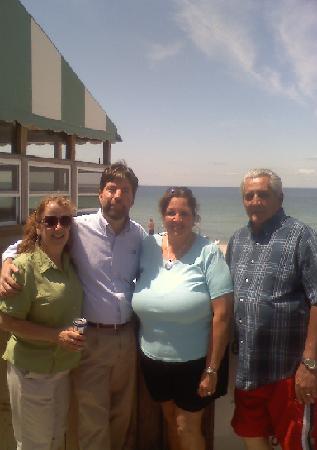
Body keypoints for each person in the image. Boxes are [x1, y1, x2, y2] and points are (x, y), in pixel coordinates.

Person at [0, 161, 146, 450]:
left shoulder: (139, 235)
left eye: (125, 191)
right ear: (100, 194)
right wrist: (5, 262)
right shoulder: (77, 226)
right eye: (111, 188)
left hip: (127, 338)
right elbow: (26, 243)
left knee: (122, 414)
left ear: (132, 198)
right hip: (90, 338)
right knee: (92, 418)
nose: (117, 195)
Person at [132, 187, 233, 450]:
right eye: (171, 212)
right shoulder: (147, 246)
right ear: (163, 215)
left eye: (184, 213)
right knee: (169, 419)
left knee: (185, 426)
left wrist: (212, 369)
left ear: (194, 217)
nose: (177, 219)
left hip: (196, 363)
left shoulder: (208, 253)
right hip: (153, 359)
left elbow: (222, 315)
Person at [226, 169, 317, 450]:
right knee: (251, 435)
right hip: (248, 369)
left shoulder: (301, 236)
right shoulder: (238, 240)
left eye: (263, 195)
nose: (255, 201)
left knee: (295, 442)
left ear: (280, 198)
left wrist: (310, 365)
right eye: (248, 196)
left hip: (287, 371)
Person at [0, 195, 85, 450]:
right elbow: (6, 321)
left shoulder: (69, 265)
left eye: (64, 220)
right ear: (38, 226)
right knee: (33, 445)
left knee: (56, 439)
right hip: (31, 373)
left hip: (61, 370)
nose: (58, 227)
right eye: (50, 221)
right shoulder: (23, 266)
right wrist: (56, 336)